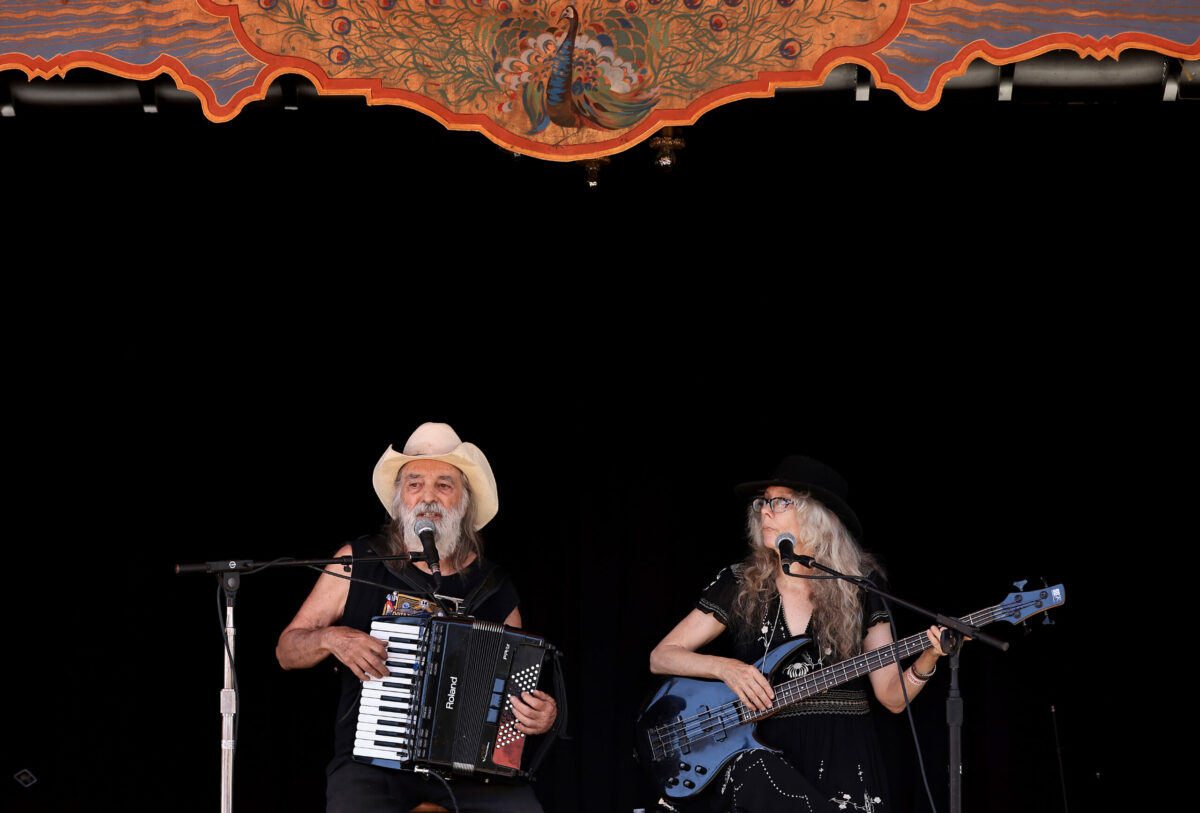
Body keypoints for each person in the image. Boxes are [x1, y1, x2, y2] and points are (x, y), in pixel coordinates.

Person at [277, 422, 558, 813]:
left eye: (444, 484)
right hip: (371, 767)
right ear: (399, 500)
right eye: (414, 484)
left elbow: (515, 695)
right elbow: (287, 650)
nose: (428, 497)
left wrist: (539, 714)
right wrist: (331, 638)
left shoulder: (493, 586)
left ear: (464, 501)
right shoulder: (358, 562)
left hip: (466, 773)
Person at [649, 455, 948, 813]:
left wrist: (929, 657)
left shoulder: (861, 588)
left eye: (780, 502)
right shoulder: (741, 583)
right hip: (761, 747)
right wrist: (727, 668)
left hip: (844, 751)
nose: (764, 512)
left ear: (817, 515)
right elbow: (662, 656)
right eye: (763, 502)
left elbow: (892, 698)